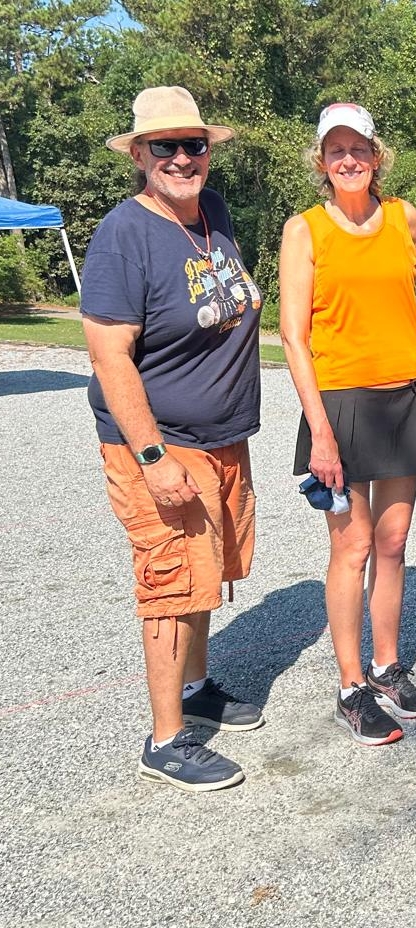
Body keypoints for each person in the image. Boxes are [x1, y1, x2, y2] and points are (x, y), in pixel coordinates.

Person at [82, 86, 264, 792]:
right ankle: (163, 741)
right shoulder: (123, 234)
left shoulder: (212, 211)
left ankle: (195, 688)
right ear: (139, 154)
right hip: (162, 442)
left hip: (221, 437)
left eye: (194, 145)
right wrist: (153, 457)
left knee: (205, 571)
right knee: (170, 579)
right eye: (166, 147)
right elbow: (110, 356)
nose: (183, 158)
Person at [280, 103, 416, 746]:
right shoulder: (305, 229)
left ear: (377, 155)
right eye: (336, 150)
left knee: (393, 543)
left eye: (359, 148)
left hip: (406, 398)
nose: (348, 160)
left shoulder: (404, 218)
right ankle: (351, 685)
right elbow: (293, 336)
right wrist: (320, 431)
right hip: (340, 405)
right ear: (322, 161)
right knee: (353, 547)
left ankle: (386, 665)